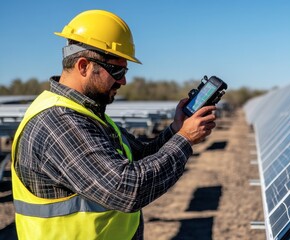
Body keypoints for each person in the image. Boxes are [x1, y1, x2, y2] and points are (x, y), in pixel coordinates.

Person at [11, 9, 217, 240]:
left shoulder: (87, 115)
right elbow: (128, 189)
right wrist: (184, 140)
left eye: (125, 71)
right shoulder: (60, 123)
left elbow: (140, 157)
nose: (123, 80)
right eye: (117, 71)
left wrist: (175, 130)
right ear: (83, 66)